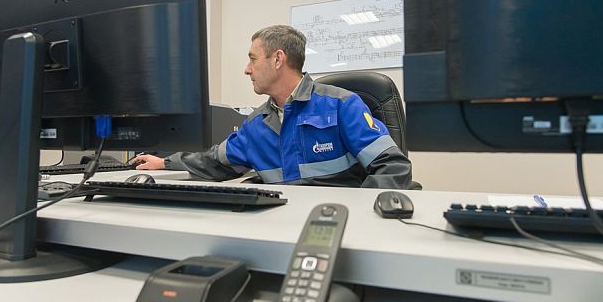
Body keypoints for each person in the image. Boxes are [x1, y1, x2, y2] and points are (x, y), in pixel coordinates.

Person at [132, 25, 414, 189]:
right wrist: (164, 163)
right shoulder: (256, 125)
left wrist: (361, 213)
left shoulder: (342, 105)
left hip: (337, 226)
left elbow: (393, 167)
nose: (247, 69)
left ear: (278, 59)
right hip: (282, 230)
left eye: (253, 59)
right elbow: (214, 162)